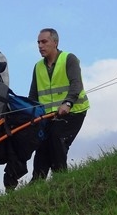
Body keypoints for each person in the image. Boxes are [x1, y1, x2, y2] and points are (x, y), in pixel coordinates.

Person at [28, 28, 89, 180]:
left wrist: (67, 103)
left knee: (57, 138)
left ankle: (62, 178)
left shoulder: (69, 59)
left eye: (44, 42)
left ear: (55, 43)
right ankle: (37, 182)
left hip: (74, 111)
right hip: (49, 116)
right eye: (38, 43)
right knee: (42, 146)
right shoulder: (38, 67)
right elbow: (33, 96)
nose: (40, 46)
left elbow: (76, 85)